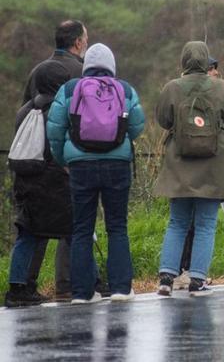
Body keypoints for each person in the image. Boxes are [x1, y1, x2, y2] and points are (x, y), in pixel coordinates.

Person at [46, 43, 146, 303]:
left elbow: (55, 130)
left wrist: (64, 159)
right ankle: (121, 289)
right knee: (117, 227)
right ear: (111, 66)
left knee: (81, 229)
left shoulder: (69, 89)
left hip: (80, 166)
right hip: (117, 165)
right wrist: (119, 140)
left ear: (86, 65)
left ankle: (82, 292)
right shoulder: (124, 89)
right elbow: (137, 125)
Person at [154, 41, 224, 296]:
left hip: (180, 163)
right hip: (213, 165)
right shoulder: (220, 87)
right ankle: (197, 279)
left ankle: (167, 277)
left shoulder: (172, 88)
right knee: (206, 223)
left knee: (177, 222)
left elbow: (163, 120)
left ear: (184, 61)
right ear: (206, 62)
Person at [14, 19, 88, 303]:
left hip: (28, 167)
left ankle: (22, 285)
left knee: (32, 230)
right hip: (61, 167)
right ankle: (69, 283)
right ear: (78, 43)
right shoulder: (79, 74)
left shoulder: (35, 75)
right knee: (75, 227)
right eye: (86, 39)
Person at [5, 62, 73, 307]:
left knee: (28, 234)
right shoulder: (61, 110)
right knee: (76, 232)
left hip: (27, 185)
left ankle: (18, 288)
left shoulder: (24, 111)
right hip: (57, 185)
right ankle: (89, 281)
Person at [175, 54, 222, 290]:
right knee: (192, 221)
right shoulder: (212, 92)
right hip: (199, 164)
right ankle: (187, 271)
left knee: (188, 220)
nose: (215, 72)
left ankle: (185, 271)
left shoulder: (175, 89)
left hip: (184, 164)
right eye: (212, 68)